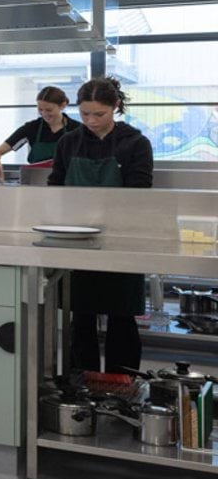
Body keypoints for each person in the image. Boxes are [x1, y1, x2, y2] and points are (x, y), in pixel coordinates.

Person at [48, 78, 153, 372]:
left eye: (99, 114)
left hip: (122, 242)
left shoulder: (136, 143)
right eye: (85, 114)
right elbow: (55, 187)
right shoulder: (68, 142)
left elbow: (140, 193)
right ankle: (83, 385)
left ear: (115, 107)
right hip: (77, 244)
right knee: (81, 317)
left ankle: (123, 386)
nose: (92, 121)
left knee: (122, 318)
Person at [0, 86, 78, 178]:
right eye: (40, 110)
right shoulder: (31, 128)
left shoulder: (77, 130)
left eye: (49, 110)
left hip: (68, 184)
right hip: (36, 183)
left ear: (62, 106)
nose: (44, 114)